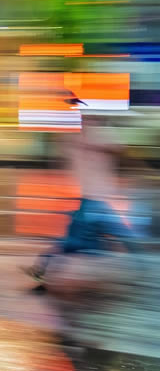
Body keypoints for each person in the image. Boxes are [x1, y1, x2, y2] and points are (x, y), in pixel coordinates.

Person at [23, 95, 136, 290]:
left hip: (90, 199)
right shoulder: (96, 134)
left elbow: (112, 148)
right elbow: (120, 149)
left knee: (75, 242)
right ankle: (145, 272)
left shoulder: (71, 139)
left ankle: (42, 268)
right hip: (95, 200)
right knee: (122, 237)